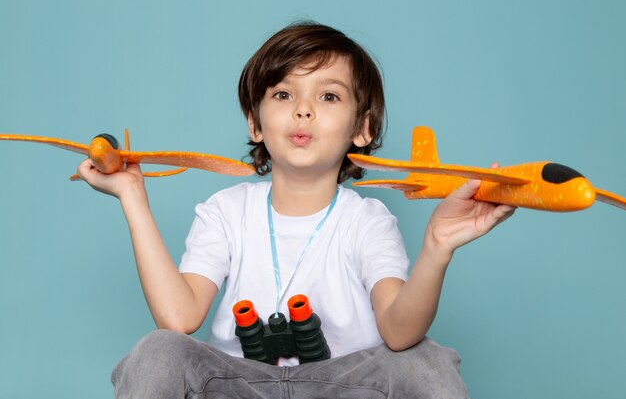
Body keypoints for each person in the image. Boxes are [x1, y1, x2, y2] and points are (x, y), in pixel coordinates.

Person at [77, 22, 515, 399]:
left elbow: (399, 332)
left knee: (425, 359)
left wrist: (437, 247)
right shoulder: (226, 211)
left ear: (361, 129)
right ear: (255, 122)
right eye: (284, 94)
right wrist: (133, 198)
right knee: (159, 350)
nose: (303, 109)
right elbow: (178, 318)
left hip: (341, 385)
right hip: (238, 384)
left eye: (328, 97)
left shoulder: (367, 221)